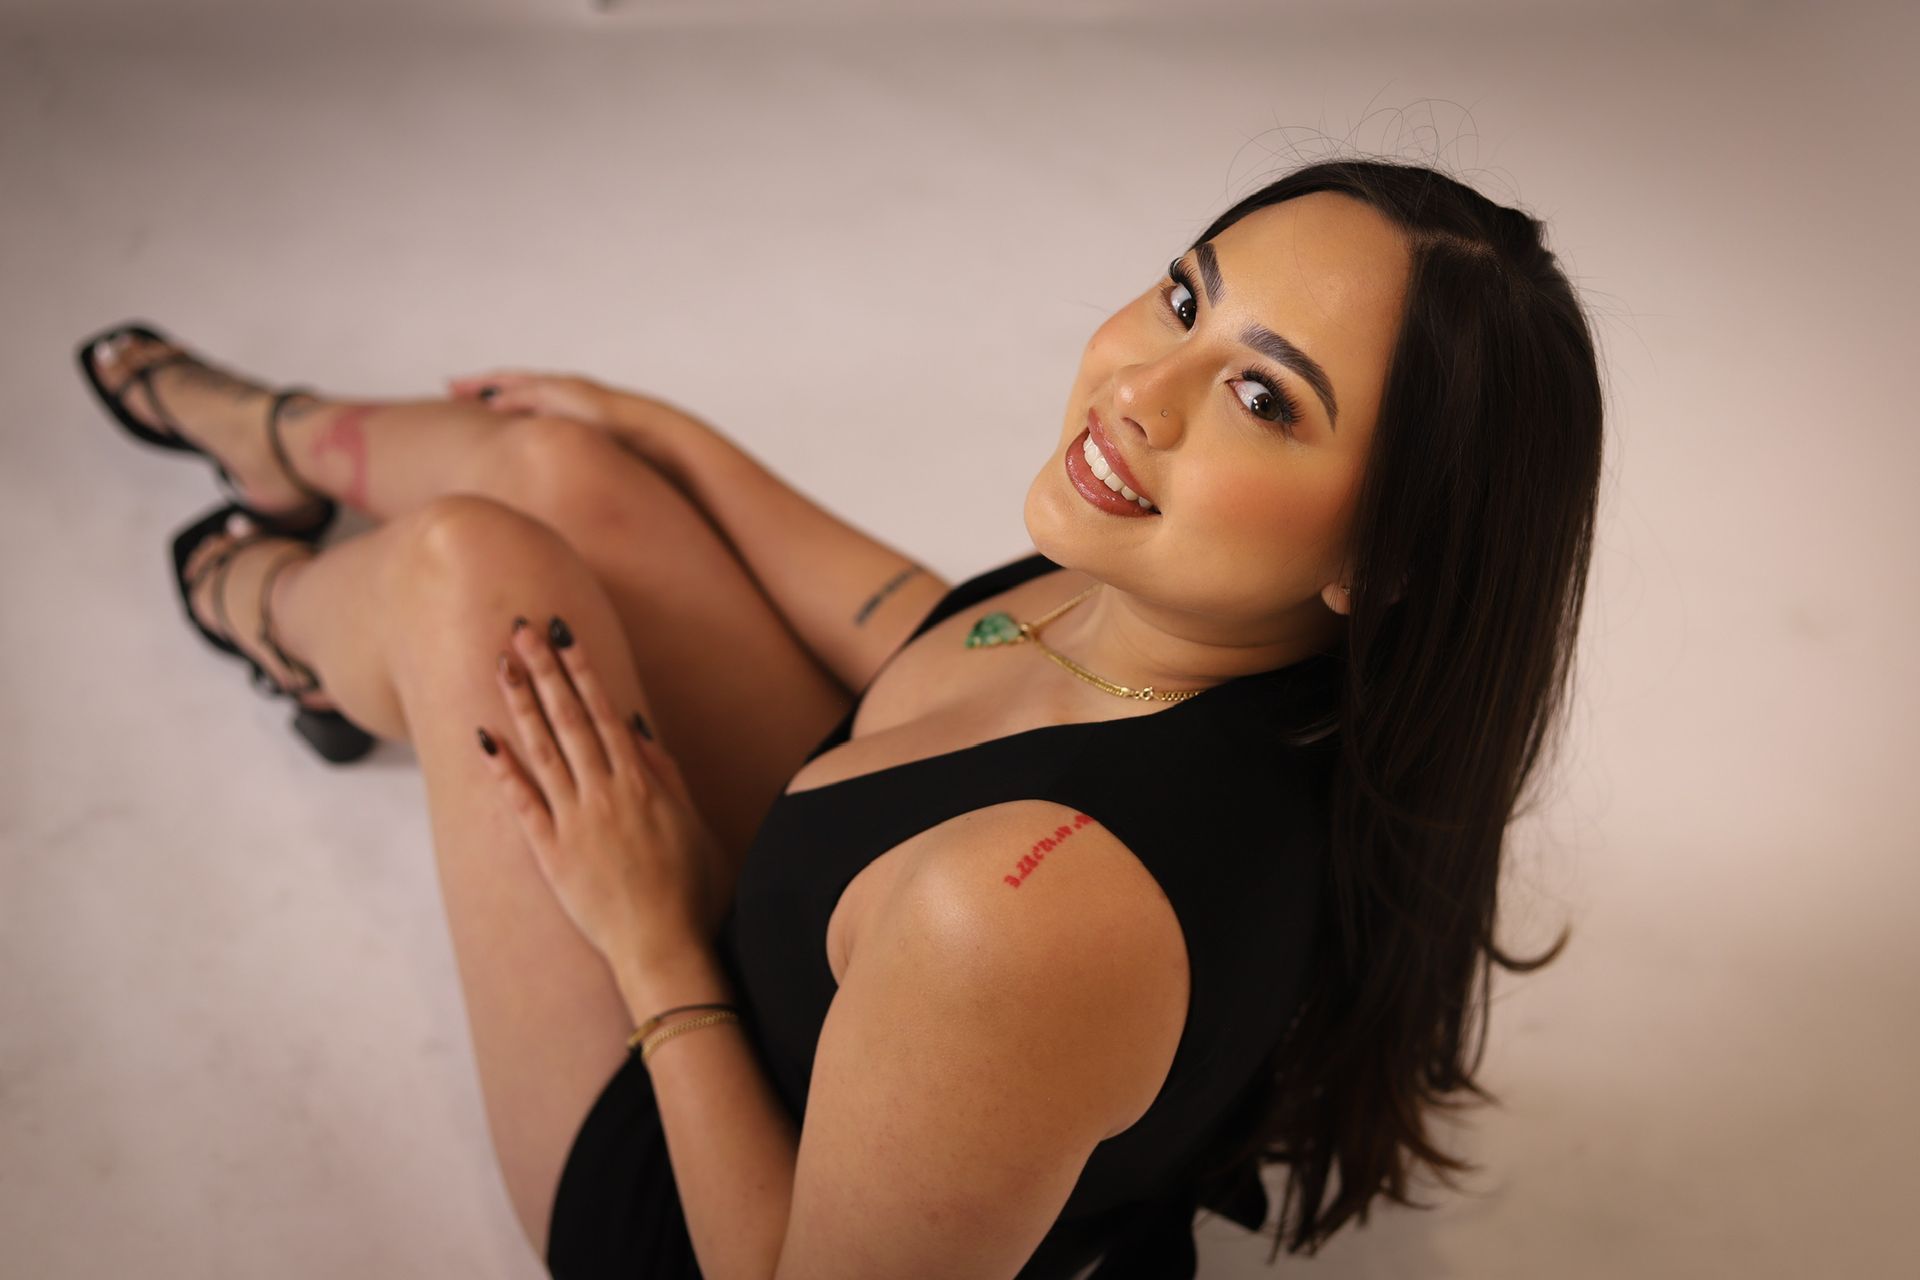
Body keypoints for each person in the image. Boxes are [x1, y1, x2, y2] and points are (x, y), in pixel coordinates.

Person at [76, 156, 1603, 1278]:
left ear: (1382, 558)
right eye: (1187, 296)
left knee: (465, 570)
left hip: (707, 1194)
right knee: (554, 472)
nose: (1139, 389)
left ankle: (261, 610)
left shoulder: (1025, 917)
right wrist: (677, 443)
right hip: (848, 968)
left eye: (1264, 400)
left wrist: (653, 936)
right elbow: (934, 631)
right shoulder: (1204, 617)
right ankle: (275, 439)